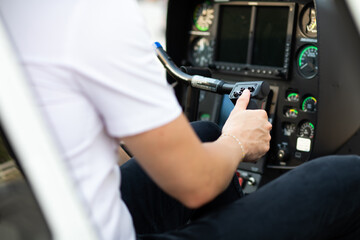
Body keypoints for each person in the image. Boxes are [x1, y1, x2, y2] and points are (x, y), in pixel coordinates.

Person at [0, 0, 359, 239]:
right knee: (345, 176)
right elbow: (196, 184)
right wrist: (237, 140)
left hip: (52, 217)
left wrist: (219, 142)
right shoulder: (84, 15)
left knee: (203, 133)